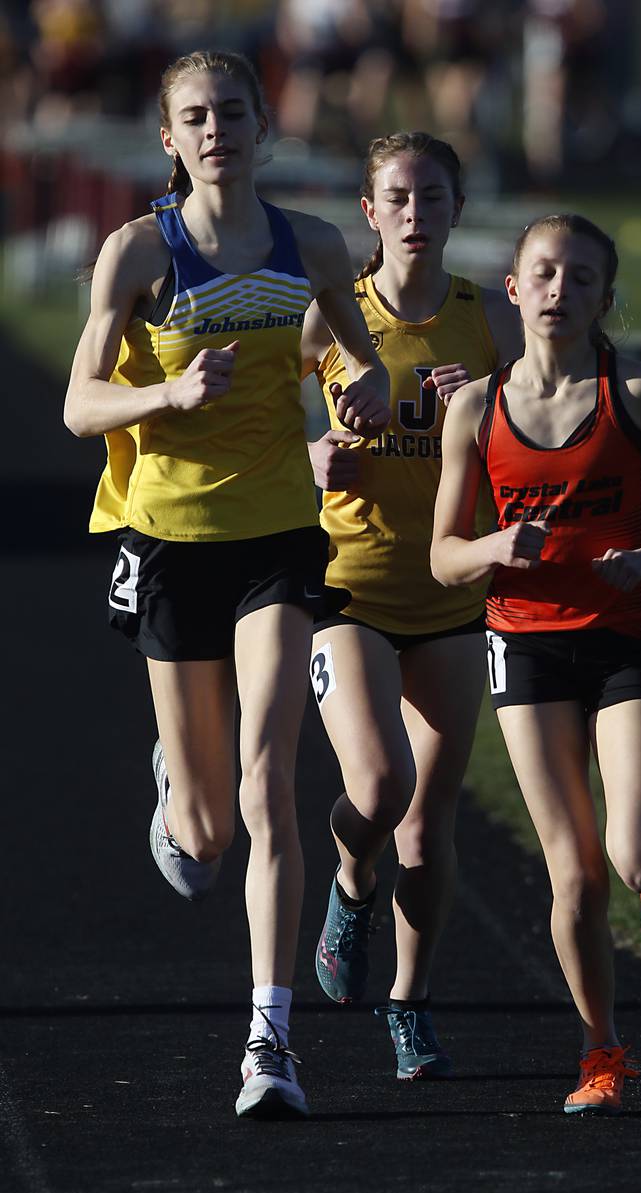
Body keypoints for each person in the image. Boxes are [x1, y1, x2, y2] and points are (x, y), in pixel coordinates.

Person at [63, 48, 390, 1121]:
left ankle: (270, 1041)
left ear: (262, 125)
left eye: (233, 112)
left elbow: (355, 361)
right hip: (167, 541)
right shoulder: (136, 252)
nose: (217, 130)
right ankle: (177, 783)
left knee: (268, 786)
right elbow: (79, 406)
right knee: (204, 836)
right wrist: (161, 394)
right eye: (195, 117)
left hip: (277, 539)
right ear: (169, 137)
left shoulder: (315, 247)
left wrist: (366, 395)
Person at [430, 213, 641, 1113]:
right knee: (572, 872)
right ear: (514, 289)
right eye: (543, 274)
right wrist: (496, 543)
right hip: (525, 642)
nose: (559, 291)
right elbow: (443, 557)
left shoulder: (637, 392)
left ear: (606, 298)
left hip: (624, 639)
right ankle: (601, 1051)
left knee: (636, 854)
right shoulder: (475, 407)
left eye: (579, 278)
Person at [300, 130, 522, 1078]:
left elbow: (560, 431)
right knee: (380, 788)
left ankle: (411, 1003)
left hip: (452, 591)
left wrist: (494, 405)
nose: (416, 215)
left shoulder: (489, 323)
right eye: (397, 197)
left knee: (429, 828)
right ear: (369, 211)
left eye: (433, 197)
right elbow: (261, 427)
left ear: (457, 210)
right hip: (349, 582)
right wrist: (311, 454)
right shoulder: (330, 314)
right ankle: (350, 875)